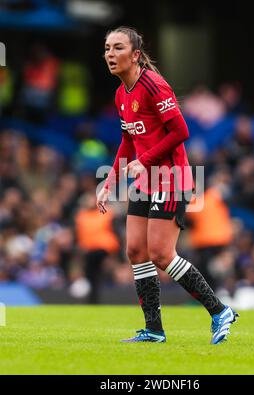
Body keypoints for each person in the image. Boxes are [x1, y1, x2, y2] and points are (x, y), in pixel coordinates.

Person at [96, 26, 239, 344]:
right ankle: (154, 329)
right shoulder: (122, 93)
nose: (110, 54)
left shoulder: (154, 85)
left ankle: (219, 311)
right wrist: (110, 182)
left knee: (161, 254)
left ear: (135, 55)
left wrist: (144, 161)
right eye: (107, 48)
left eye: (118, 48)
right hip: (145, 180)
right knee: (135, 251)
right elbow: (127, 141)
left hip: (171, 177)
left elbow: (181, 132)